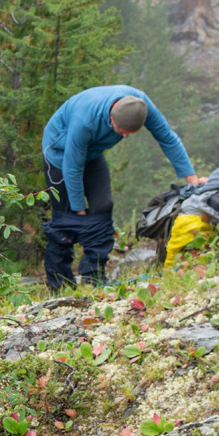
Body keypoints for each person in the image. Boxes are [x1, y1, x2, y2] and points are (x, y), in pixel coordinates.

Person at [41, 86, 206, 290]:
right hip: (59, 155)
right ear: (111, 119)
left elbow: (167, 138)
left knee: (103, 206)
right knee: (66, 220)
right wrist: (79, 211)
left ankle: (94, 278)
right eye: (122, 132)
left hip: (92, 154)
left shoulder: (140, 105)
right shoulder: (85, 119)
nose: (125, 137)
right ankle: (61, 286)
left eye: (131, 133)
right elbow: (72, 167)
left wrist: (192, 178)